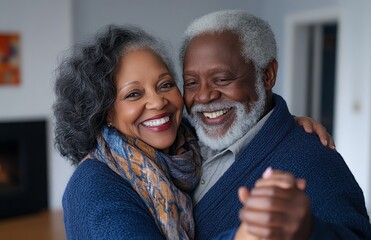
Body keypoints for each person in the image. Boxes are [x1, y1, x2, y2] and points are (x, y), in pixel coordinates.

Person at [54, 24, 332, 239]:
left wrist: (283, 122)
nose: (157, 101)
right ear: (104, 112)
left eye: (165, 85)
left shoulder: (188, 146)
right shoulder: (94, 186)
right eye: (134, 94)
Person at [179, 9, 371, 239]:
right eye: (191, 83)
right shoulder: (175, 142)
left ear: (267, 75)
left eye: (221, 79)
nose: (203, 96)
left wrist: (310, 231)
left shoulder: (314, 160)